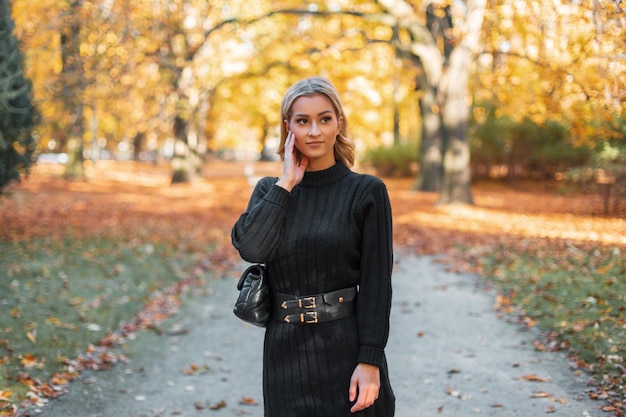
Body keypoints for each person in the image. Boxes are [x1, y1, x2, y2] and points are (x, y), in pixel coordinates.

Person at [231, 76, 395, 417]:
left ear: (339, 123)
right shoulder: (270, 191)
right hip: (284, 352)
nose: (315, 131)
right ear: (288, 127)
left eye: (324, 118)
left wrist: (370, 359)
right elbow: (252, 249)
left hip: (346, 349)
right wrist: (286, 184)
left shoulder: (366, 192)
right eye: (303, 121)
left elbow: (377, 283)